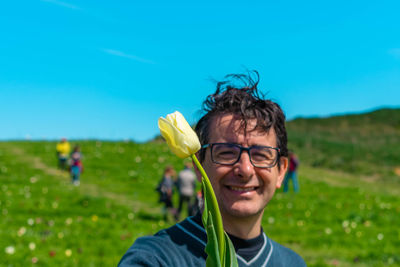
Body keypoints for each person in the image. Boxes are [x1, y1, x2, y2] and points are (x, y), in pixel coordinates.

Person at [119, 71, 306, 266]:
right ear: (198, 166)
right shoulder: (155, 258)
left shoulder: (293, 262)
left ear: (282, 170)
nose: (245, 169)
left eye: (260, 154)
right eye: (226, 152)